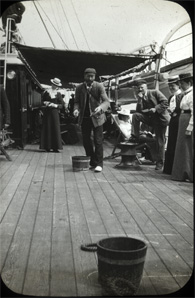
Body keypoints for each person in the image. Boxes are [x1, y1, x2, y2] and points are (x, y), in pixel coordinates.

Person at [73, 68, 110, 172]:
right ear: (84, 76)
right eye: (88, 76)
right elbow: (76, 102)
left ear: (95, 77)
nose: (90, 78)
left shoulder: (99, 86)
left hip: (98, 118)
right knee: (86, 141)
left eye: (92, 76)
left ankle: (99, 164)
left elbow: (106, 101)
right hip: (85, 118)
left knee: (98, 141)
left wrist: (100, 108)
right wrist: (76, 110)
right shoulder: (79, 88)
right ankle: (92, 161)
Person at [130, 78, 170, 170]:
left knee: (160, 141)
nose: (140, 89)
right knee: (136, 115)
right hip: (151, 119)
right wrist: (139, 100)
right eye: (138, 88)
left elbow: (165, 102)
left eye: (142, 87)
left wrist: (156, 108)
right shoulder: (141, 97)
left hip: (160, 120)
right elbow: (138, 111)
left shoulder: (155, 92)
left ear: (146, 87)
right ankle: (135, 136)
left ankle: (159, 163)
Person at [171, 73, 193, 182]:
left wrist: (190, 127)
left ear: (189, 83)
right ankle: (181, 173)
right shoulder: (185, 94)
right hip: (183, 119)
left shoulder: (192, 94)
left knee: (187, 148)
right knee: (181, 148)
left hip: (188, 120)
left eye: (182, 83)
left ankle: (188, 173)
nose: (181, 85)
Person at [163, 75, 183, 174]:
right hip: (173, 120)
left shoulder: (182, 95)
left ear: (179, 85)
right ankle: (169, 169)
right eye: (169, 86)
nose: (171, 88)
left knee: (176, 143)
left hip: (179, 120)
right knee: (171, 142)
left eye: (173, 85)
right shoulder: (171, 97)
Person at [40, 78, 64, 152]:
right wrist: (45, 103)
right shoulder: (46, 92)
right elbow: (42, 101)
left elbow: (62, 105)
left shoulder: (58, 94)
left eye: (56, 85)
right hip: (47, 112)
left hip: (54, 113)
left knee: (55, 128)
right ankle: (47, 146)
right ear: (52, 84)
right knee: (47, 128)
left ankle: (55, 147)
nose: (54, 86)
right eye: (53, 84)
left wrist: (55, 105)